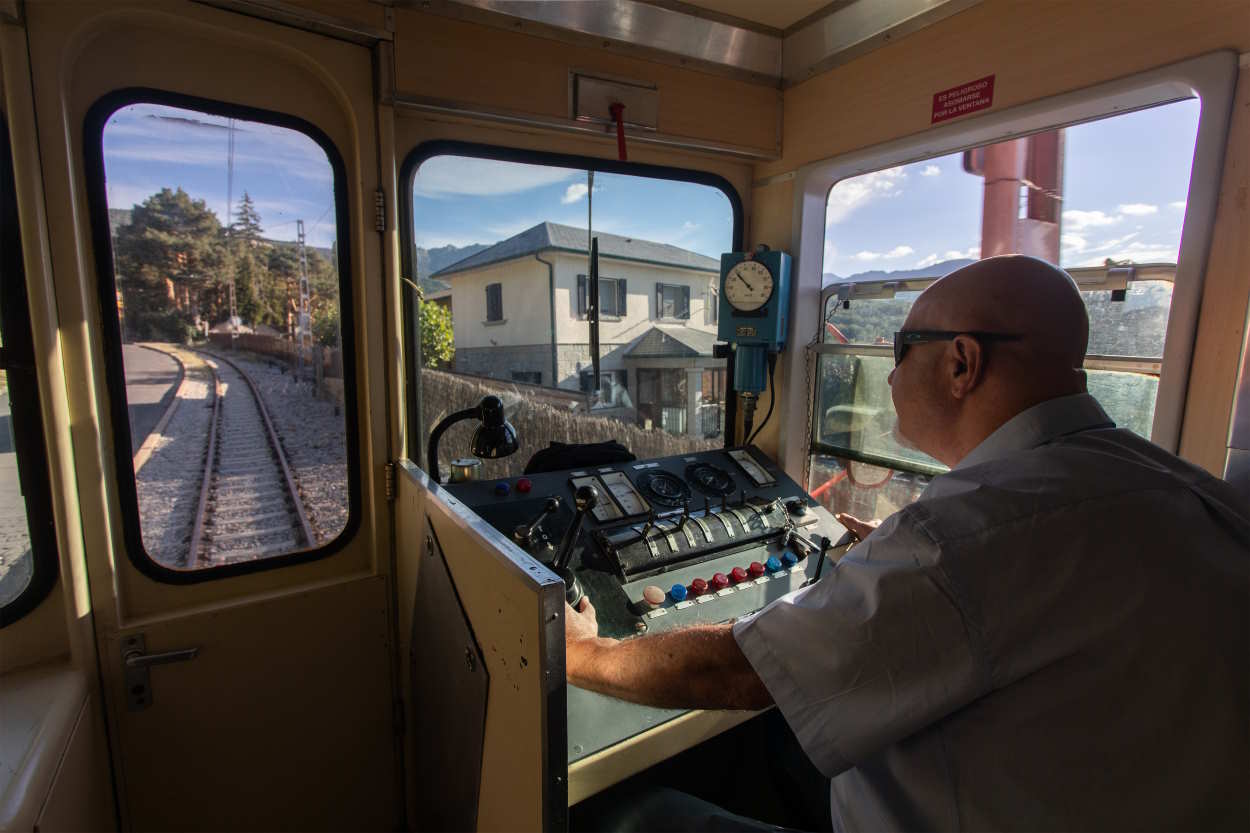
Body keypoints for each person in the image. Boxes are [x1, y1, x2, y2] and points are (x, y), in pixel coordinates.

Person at [565, 255, 1250, 831]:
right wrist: (896, 561)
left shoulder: (960, 539)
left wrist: (585, 651)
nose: (889, 375)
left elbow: (739, 671)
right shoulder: (1191, 491)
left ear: (962, 364)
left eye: (901, 349)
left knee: (635, 816)